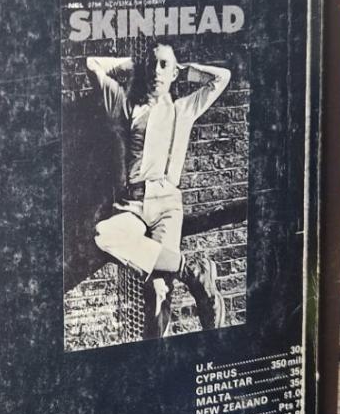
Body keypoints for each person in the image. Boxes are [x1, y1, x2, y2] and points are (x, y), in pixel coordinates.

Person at [86, 41, 231, 338]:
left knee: (158, 290)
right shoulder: (124, 105)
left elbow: (222, 77)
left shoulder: (184, 109)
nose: (156, 71)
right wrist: (132, 64)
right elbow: (92, 65)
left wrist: (186, 70)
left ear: (174, 73)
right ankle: (192, 270)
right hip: (132, 205)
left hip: (167, 205)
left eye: (164, 65)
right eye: (152, 64)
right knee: (104, 235)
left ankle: (155, 353)